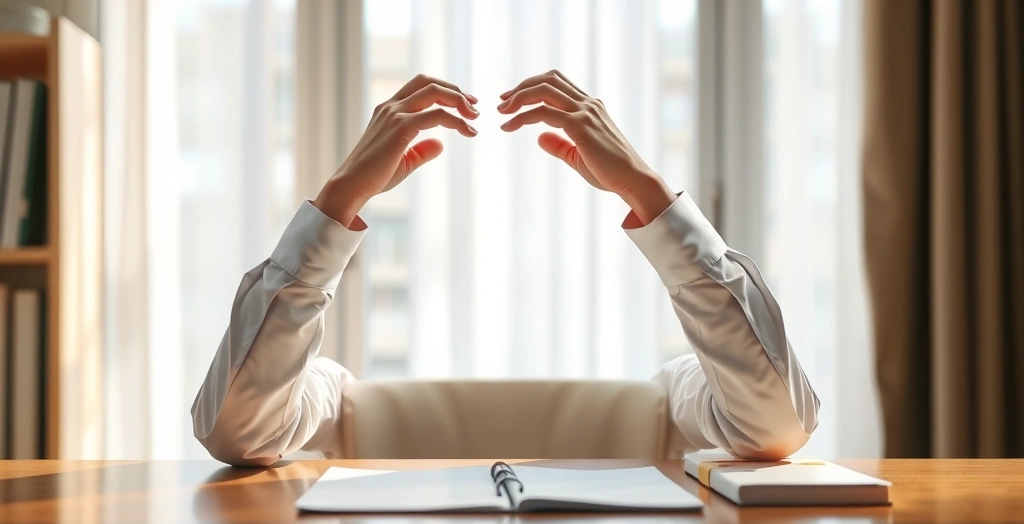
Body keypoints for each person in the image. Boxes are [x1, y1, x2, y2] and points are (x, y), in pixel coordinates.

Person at [191, 71, 820, 467]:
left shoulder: (679, 395)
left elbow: (775, 427)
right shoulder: (326, 396)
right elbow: (239, 436)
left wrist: (649, 193)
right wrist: (337, 201)